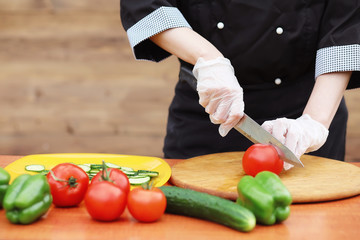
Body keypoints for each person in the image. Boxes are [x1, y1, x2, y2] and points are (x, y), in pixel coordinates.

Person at [120, 1, 360, 161]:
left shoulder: (309, 122)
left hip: (305, 112)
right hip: (208, 115)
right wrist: (209, 59)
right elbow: (145, 5)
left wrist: (314, 122)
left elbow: (347, 24)